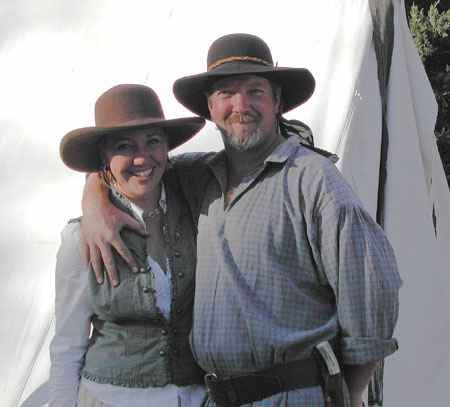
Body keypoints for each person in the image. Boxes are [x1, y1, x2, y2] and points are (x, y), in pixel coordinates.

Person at [81, 34, 402, 407]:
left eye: (255, 91)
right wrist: (95, 199)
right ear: (210, 106)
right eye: (226, 94)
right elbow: (134, 167)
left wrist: (351, 391)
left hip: (293, 397)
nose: (241, 105)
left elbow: (371, 294)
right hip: (214, 397)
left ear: (277, 100)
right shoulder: (194, 176)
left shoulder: (315, 181)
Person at [49, 84, 207, 407]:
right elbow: (67, 348)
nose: (141, 157)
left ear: (167, 147)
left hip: (193, 398)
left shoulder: (197, 209)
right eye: (125, 146)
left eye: (153, 142)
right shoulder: (79, 240)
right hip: (111, 399)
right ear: (103, 157)